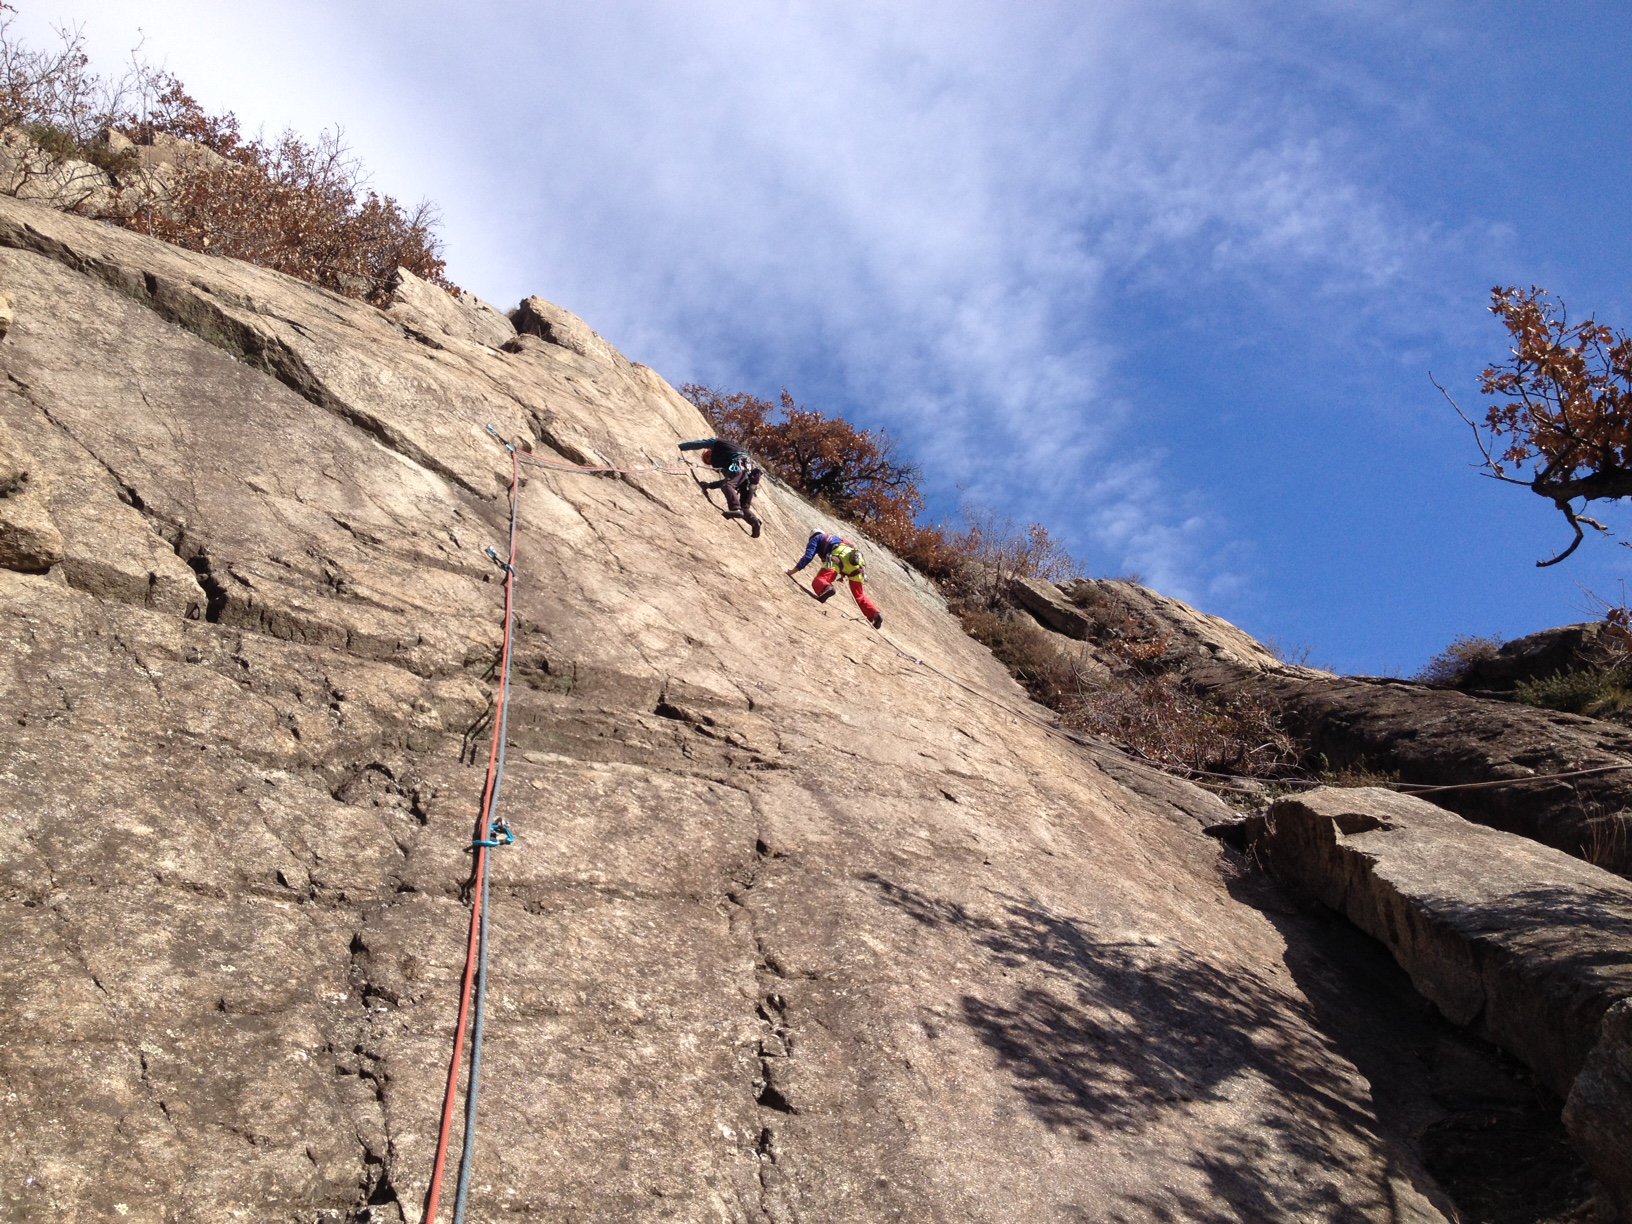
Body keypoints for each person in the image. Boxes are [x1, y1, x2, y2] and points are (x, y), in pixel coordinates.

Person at [788, 530, 883, 629]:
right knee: (859, 595)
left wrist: (792, 571)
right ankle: (875, 615)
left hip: (838, 556)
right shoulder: (836, 538)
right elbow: (852, 545)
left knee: (820, 580)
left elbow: (808, 556)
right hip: (857, 561)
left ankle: (826, 588)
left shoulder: (816, 538)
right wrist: (845, 571)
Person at [678, 436, 762, 537]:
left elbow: (700, 443)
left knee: (727, 486)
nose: (709, 459)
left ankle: (736, 509)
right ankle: (755, 522)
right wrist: (709, 485)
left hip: (740, 464)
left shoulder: (717, 443)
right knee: (745, 507)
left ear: (709, 450)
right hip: (750, 477)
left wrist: (681, 447)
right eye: (707, 460)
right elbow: (729, 481)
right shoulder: (726, 463)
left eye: (707, 456)